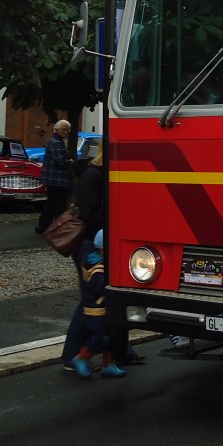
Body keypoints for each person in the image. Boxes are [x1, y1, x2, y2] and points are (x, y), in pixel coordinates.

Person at [61, 142, 143, 369]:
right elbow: (91, 214)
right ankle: (71, 356)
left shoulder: (105, 175)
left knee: (113, 296)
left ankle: (119, 351)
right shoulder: (91, 176)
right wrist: (120, 214)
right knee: (90, 299)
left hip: (106, 241)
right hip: (90, 244)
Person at [69, 229, 126, 379]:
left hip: (107, 308)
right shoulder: (97, 267)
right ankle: (81, 357)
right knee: (101, 337)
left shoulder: (100, 263)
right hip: (96, 310)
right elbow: (100, 287)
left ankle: (109, 363)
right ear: (102, 249)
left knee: (115, 335)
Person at [36, 119, 72, 233]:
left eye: (67, 130)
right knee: (59, 205)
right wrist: (70, 162)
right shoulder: (56, 142)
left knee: (50, 205)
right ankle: (59, 228)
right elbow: (60, 161)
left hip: (53, 179)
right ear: (56, 130)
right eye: (63, 129)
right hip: (57, 179)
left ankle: (42, 227)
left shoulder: (56, 141)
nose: (66, 132)